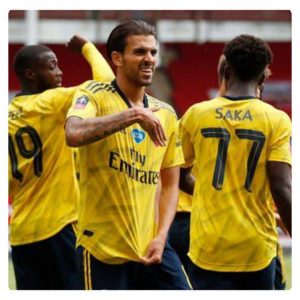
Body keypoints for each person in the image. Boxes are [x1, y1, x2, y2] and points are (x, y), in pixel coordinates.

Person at [65, 20, 192, 290]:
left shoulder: (166, 114)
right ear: (116, 58)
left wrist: (161, 236)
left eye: (153, 52)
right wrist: (133, 115)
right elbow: (73, 133)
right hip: (101, 249)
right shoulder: (94, 95)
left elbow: (170, 185)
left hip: (151, 247)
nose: (149, 59)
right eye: (139, 52)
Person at [179, 34, 291, 289]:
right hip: (256, 248)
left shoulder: (196, 115)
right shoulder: (277, 120)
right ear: (263, 78)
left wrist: (209, 193)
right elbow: (282, 188)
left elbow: (178, 174)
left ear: (226, 70)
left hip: (207, 247)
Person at [8, 35, 114, 289]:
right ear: (31, 74)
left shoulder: (9, 116)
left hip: (22, 233)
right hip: (59, 225)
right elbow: (107, 85)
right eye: (52, 65)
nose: (60, 71)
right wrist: (86, 47)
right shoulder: (50, 102)